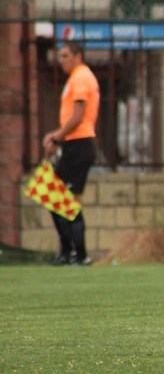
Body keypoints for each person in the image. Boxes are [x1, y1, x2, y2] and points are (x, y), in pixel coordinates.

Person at [43, 41, 99, 267]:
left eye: (65, 55)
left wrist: (58, 137)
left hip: (80, 145)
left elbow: (78, 116)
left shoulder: (81, 77)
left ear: (78, 56)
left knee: (64, 198)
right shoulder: (77, 77)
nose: (61, 60)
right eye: (60, 56)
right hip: (74, 145)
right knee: (57, 197)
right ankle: (69, 252)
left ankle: (78, 254)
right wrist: (59, 137)